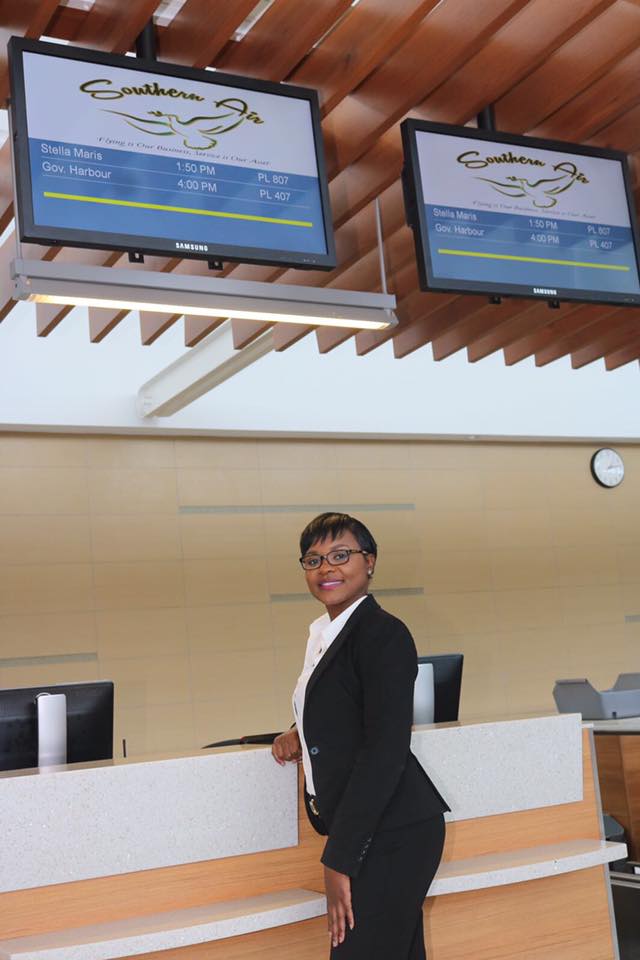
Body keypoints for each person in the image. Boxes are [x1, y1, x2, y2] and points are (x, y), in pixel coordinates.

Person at [271, 512, 449, 959]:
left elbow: (384, 751)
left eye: (340, 555)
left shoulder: (383, 634)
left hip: (393, 833)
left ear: (369, 562)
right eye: (314, 560)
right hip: (376, 829)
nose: (326, 568)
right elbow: (345, 707)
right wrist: (297, 730)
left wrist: (339, 857)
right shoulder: (325, 634)